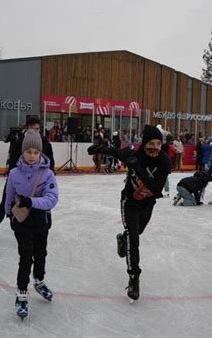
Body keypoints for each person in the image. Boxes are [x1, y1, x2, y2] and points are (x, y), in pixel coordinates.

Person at [87, 125, 171, 301]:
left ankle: (122, 239)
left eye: (158, 143)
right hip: (130, 202)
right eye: (151, 143)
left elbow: (156, 190)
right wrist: (98, 148)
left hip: (148, 203)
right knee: (134, 238)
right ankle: (134, 277)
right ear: (144, 143)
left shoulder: (164, 160)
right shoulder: (134, 154)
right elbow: (116, 151)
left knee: (136, 232)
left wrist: (138, 170)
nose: (155, 147)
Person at [5, 130, 59, 318]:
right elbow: (9, 195)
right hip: (22, 222)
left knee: (41, 253)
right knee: (26, 257)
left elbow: (52, 199)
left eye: (36, 152)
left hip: (41, 221)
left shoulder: (48, 174)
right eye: (28, 152)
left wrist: (31, 202)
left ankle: (39, 280)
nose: (32, 156)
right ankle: (21, 294)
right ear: (23, 152)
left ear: (40, 153)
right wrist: (7, 214)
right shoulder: (13, 173)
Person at [0, 116, 55, 241]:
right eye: (33, 129)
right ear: (27, 128)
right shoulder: (20, 142)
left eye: (38, 129)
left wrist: (50, 176)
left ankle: (35, 229)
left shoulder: (44, 143)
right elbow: (13, 161)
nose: (35, 131)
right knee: (7, 199)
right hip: (18, 178)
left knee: (37, 202)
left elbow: (51, 162)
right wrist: (12, 177)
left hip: (38, 180)